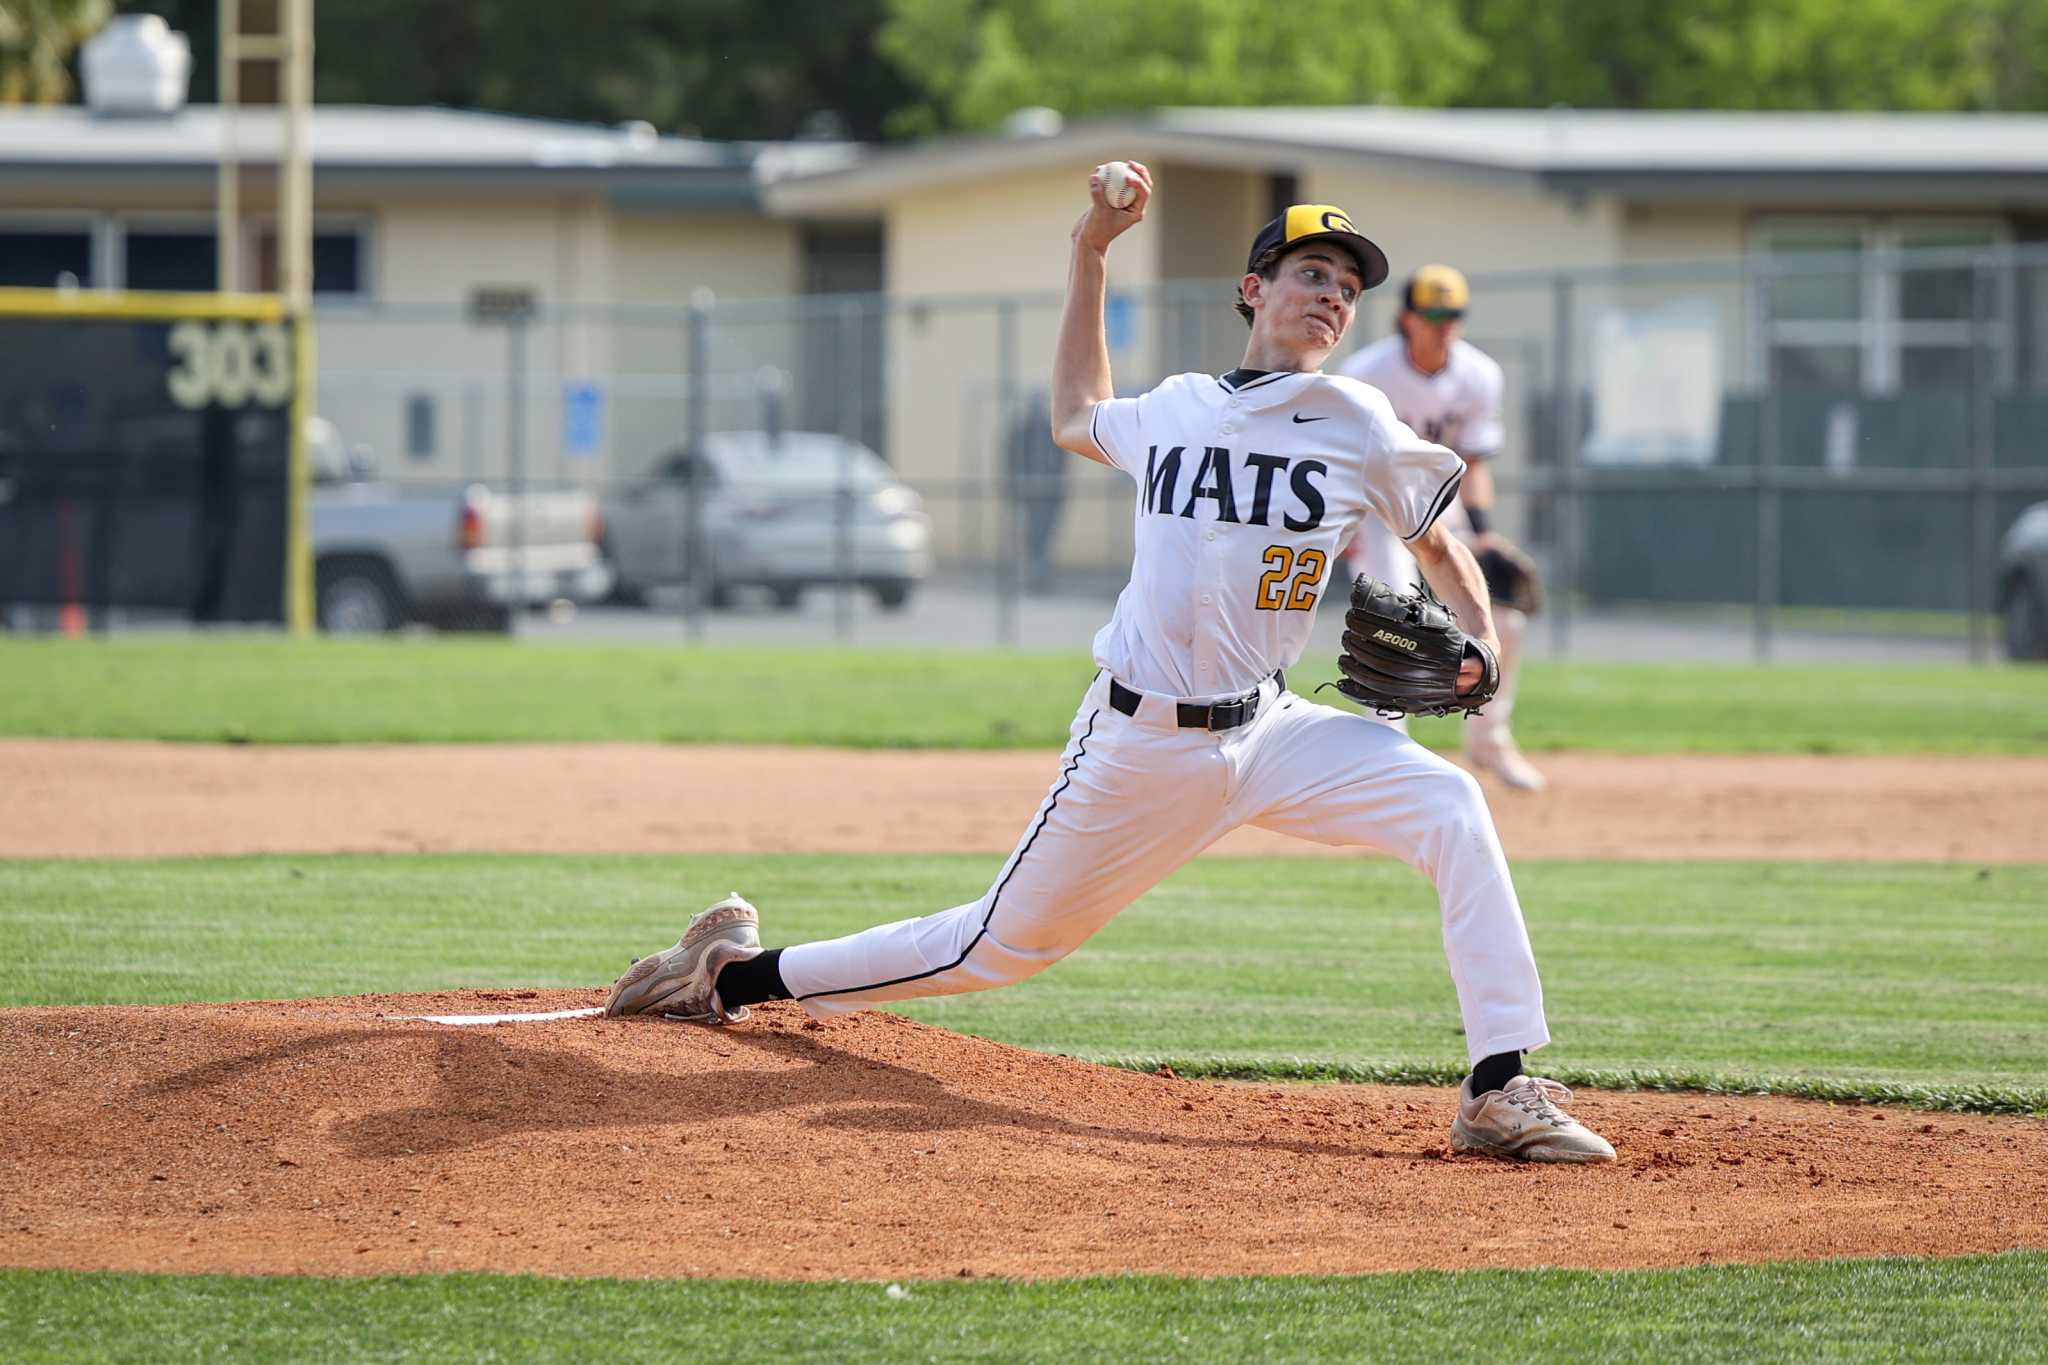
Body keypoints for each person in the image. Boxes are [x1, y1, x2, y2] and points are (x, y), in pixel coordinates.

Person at [605, 166, 1614, 1164]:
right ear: (1253, 289)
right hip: (1142, 741)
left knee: (1450, 807)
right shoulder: (1172, 408)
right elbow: (1074, 412)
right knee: (992, 948)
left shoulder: (1357, 424)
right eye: (1312, 274)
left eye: (1347, 291)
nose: (1332, 300)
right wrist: (1089, 249)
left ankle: (1495, 1085)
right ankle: (729, 977)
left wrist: (1474, 643)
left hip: (1271, 731)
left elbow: (1442, 547)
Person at [1337, 267, 1547, 791]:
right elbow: (1344, 457)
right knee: (1394, 609)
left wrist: (1483, 534)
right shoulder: (1368, 371)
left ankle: (1488, 740)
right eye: (1433, 315)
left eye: (1453, 315)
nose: (1444, 326)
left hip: (1442, 509)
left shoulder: (1479, 374)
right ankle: (1385, 749)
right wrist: (1345, 524)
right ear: (1406, 318)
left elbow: (1474, 463)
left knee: (1506, 620)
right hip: (1377, 507)